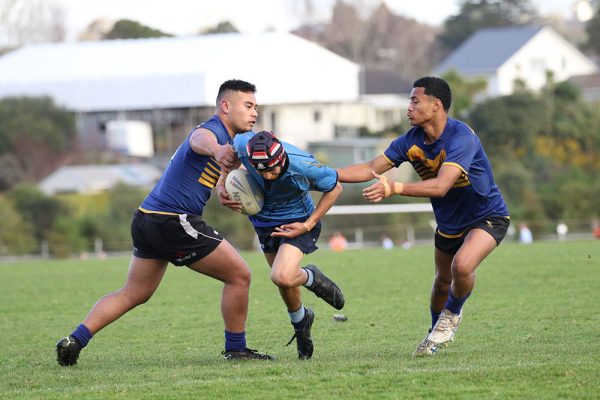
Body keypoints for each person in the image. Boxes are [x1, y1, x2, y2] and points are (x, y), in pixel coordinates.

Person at [55, 79, 273, 366]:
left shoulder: (226, 140)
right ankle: (236, 349)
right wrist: (219, 150)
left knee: (134, 293)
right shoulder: (213, 131)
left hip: (147, 218)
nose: (254, 112)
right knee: (240, 275)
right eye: (248, 106)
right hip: (174, 220)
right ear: (225, 106)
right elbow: (200, 140)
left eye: (255, 106)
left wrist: (222, 186)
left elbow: (210, 166)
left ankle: (75, 340)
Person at [337, 77, 510, 357]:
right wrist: (325, 175)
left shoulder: (461, 137)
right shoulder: (410, 141)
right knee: (442, 281)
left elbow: (441, 186)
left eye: (414, 101)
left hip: (487, 215)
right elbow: (371, 167)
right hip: (449, 223)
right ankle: (434, 337)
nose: (408, 108)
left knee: (462, 267)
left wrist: (395, 187)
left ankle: (450, 318)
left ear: (435, 105)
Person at [218, 131, 345, 359]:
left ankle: (311, 277)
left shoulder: (303, 165)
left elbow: (335, 188)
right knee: (284, 283)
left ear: (282, 159)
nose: (266, 176)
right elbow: (230, 158)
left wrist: (307, 225)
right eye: (261, 171)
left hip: (298, 221)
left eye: (272, 170)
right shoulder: (244, 144)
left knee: (283, 276)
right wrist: (221, 183)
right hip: (264, 223)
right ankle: (301, 323)